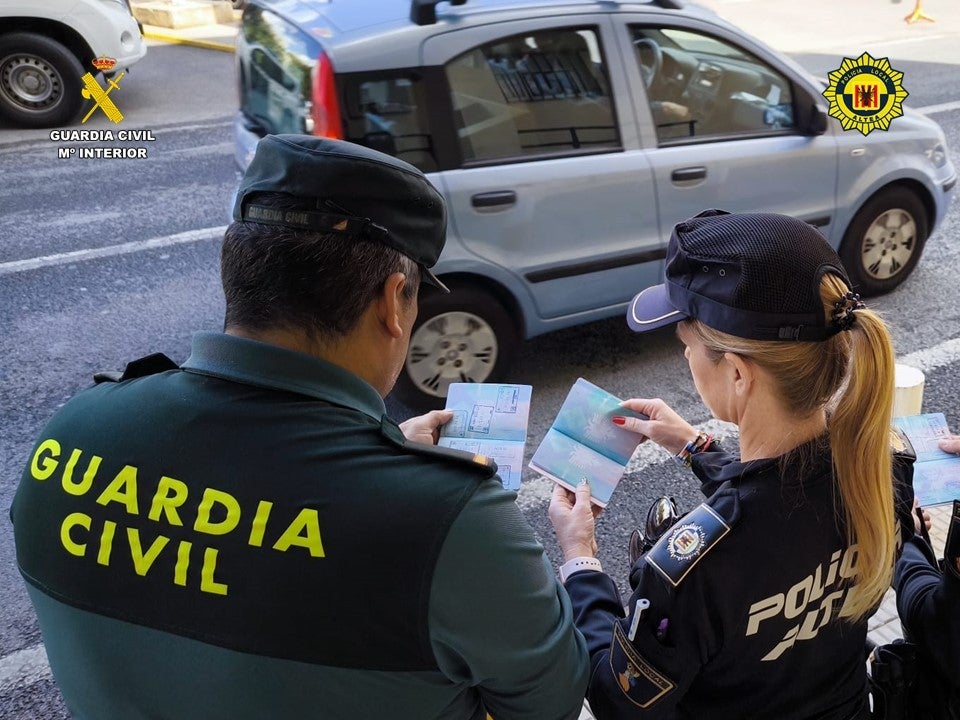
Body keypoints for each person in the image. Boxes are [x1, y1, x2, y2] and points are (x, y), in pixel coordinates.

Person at [11, 135, 589, 720]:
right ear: (393, 302)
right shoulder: (448, 519)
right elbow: (552, 700)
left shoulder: (74, 431)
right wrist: (570, 551)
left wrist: (388, 462)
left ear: (237, 272)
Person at [548, 210, 916, 719]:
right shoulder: (883, 470)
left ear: (739, 373)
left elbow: (618, 696)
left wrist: (579, 557)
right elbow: (784, 495)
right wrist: (696, 446)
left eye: (687, 346)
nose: (685, 359)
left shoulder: (692, 569)